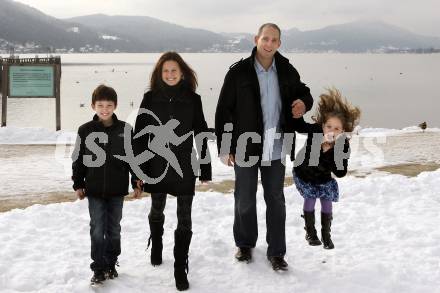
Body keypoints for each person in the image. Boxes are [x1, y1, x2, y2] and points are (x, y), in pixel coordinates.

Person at [215, 23, 313, 271]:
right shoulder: (238, 72)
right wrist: (225, 147)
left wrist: (303, 103)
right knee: (244, 199)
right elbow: (223, 111)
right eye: (265, 39)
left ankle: (277, 252)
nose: (269, 44)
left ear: (279, 43)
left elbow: (305, 93)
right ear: (256, 39)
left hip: (277, 146)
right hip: (245, 146)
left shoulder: (287, 70)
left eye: (274, 40)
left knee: (276, 200)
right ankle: (245, 244)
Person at [133, 51, 212, 291]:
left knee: (184, 218)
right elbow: (139, 137)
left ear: (182, 73)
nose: (169, 74)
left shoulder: (193, 99)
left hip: (185, 165)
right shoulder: (149, 98)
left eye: (174, 71)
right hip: (156, 164)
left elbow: (201, 134)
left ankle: (180, 266)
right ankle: (156, 243)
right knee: (157, 209)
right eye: (165, 71)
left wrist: (205, 169)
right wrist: (137, 171)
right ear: (159, 73)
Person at [71, 84, 142, 285]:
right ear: (93, 105)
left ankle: (111, 262)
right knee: (97, 228)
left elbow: (132, 159)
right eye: (100, 105)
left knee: (113, 229)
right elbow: (78, 159)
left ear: (115, 106)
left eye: (109, 105)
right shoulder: (85, 130)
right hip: (93, 190)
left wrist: (137, 182)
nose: (105, 109)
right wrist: (78, 183)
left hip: (117, 190)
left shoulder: (125, 130)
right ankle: (98, 268)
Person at [292, 87, 361, 249]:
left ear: (343, 131)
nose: (332, 131)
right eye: (329, 127)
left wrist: (332, 152)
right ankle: (311, 232)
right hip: (304, 173)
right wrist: (298, 109)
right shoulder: (315, 133)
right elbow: (298, 126)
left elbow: (340, 172)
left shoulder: (342, 145)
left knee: (326, 199)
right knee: (310, 197)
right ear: (322, 125)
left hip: (323, 177)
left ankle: (326, 235)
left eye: (337, 129)